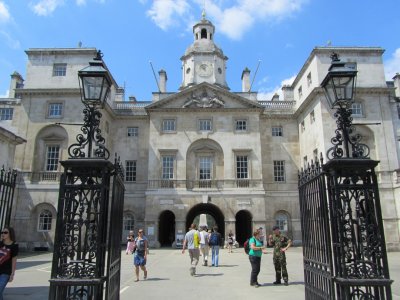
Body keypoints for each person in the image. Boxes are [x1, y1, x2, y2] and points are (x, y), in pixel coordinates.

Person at [0, 227, 18, 300]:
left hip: (6, 272)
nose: (3, 234)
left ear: (10, 233)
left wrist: (12, 274)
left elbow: (14, 260)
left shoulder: (14, 245)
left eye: (5, 232)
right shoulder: (0, 243)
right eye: (2, 232)